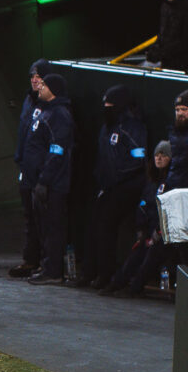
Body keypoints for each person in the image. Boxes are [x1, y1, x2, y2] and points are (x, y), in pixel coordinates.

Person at [72, 85, 147, 289]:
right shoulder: (106, 128)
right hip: (106, 186)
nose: (106, 108)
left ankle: (106, 274)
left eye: (110, 105)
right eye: (105, 105)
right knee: (92, 224)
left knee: (105, 225)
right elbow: (102, 159)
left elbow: (139, 158)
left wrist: (119, 175)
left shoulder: (133, 127)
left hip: (128, 186)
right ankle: (89, 272)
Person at [22, 74, 74, 285]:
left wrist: (44, 180)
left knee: (53, 228)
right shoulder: (45, 111)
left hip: (54, 184)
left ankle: (53, 271)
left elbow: (57, 151)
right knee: (43, 227)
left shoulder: (60, 115)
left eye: (44, 85)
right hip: (39, 182)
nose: (40, 87)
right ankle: (47, 266)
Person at [101, 141, 171, 297]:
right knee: (135, 254)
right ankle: (116, 283)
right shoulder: (150, 181)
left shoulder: (171, 182)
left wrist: (158, 232)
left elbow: (169, 212)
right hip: (148, 228)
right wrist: (141, 230)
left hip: (163, 232)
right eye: (157, 155)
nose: (159, 158)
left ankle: (134, 288)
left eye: (164, 155)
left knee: (151, 255)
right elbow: (142, 205)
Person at [9, 58, 52, 278]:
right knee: (29, 218)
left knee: (43, 220)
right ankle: (31, 259)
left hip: (40, 174)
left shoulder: (52, 108)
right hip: (26, 169)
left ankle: (45, 263)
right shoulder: (29, 100)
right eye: (32, 76)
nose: (35, 80)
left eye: (39, 76)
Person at [145, 0, 188, 71]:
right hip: (167, 63)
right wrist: (155, 48)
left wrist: (161, 53)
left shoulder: (185, 7)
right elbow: (163, 33)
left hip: (183, 66)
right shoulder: (165, 6)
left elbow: (184, 41)